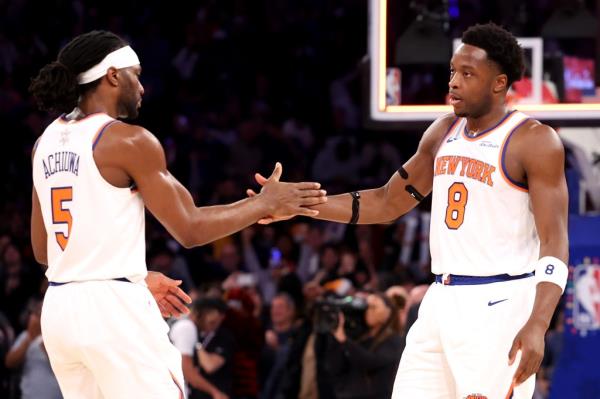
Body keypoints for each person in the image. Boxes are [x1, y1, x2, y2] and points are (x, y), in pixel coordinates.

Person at [250, 23, 568, 399]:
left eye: (468, 74)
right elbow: (387, 202)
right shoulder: (443, 132)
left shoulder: (533, 140)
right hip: (439, 297)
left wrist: (538, 323)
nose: (453, 82)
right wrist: (302, 205)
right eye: (453, 71)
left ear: (499, 84)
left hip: (497, 303)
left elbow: (555, 240)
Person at [29, 30, 327, 398]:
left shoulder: (44, 143)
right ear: (112, 75)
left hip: (59, 310)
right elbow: (190, 228)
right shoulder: (128, 140)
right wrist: (264, 204)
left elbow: (45, 251)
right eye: (136, 74)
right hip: (111, 312)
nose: (142, 86)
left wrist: (127, 275)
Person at [170, 298, 233, 399]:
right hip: (169, 388)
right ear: (200, 313)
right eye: (212, 322)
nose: (213, 328)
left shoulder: (180, 323)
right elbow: (188, 371)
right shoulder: (187, 327)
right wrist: (215, 392)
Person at [5, 299, 62, 399]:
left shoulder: (59, 338)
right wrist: (30, 338)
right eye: (37, 314)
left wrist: (43, 341)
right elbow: (9, 363)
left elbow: (60, 367)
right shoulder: (25, 336)